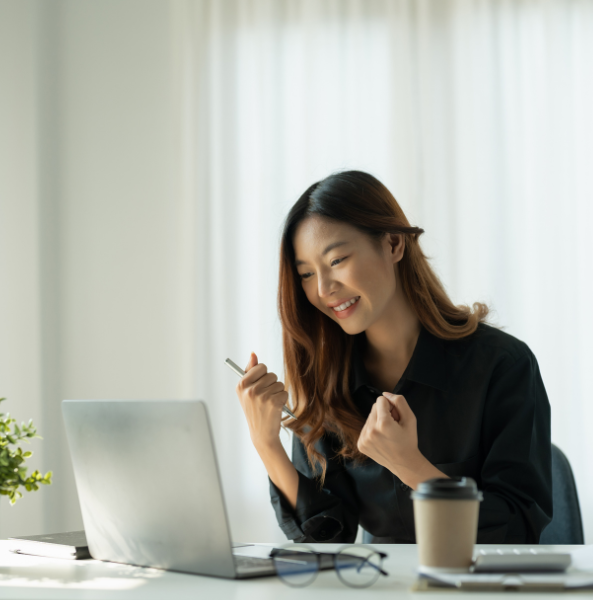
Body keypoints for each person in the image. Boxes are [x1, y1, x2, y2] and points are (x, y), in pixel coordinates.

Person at [235, 171, 552, 544]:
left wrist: (411, 466)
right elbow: (328, 542)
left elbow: (518, 529)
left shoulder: (502, 365)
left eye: (336, 260)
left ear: (393, 244)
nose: (323, 289)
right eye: (306, 274)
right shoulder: (327, 381)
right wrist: (267, 445)